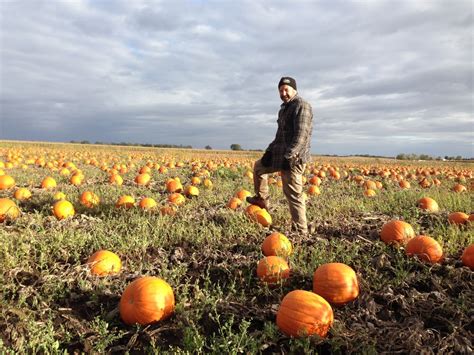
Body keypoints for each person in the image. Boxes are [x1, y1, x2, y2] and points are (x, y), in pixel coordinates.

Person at [247, 76, 313, 235]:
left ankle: (301, 231)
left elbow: (301, 135)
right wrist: (269, 152)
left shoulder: (302, 106)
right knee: (258, 167)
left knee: (293, 194)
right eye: (281, 90)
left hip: (294, 158)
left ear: (294, 90)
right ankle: (261, 199)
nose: (283, 93)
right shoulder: (284, 109)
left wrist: (289, 156)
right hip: (280, 154)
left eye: (286, 89)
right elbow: (279, 136)